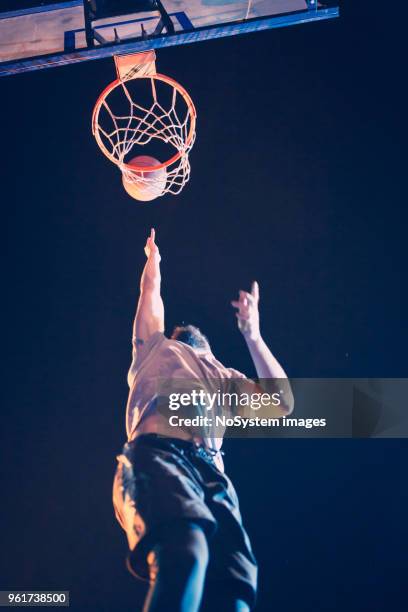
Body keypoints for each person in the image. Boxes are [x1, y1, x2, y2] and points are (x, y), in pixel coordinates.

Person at [112, 229, 294, 612]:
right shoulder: (156, 347)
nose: (188, 330)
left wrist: (253, 335)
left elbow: (282, 404)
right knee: (186, 550)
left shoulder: (225, 377)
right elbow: (151, 295)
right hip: (159, 456)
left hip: (212, 476)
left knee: (235, 588)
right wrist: (154, 262)